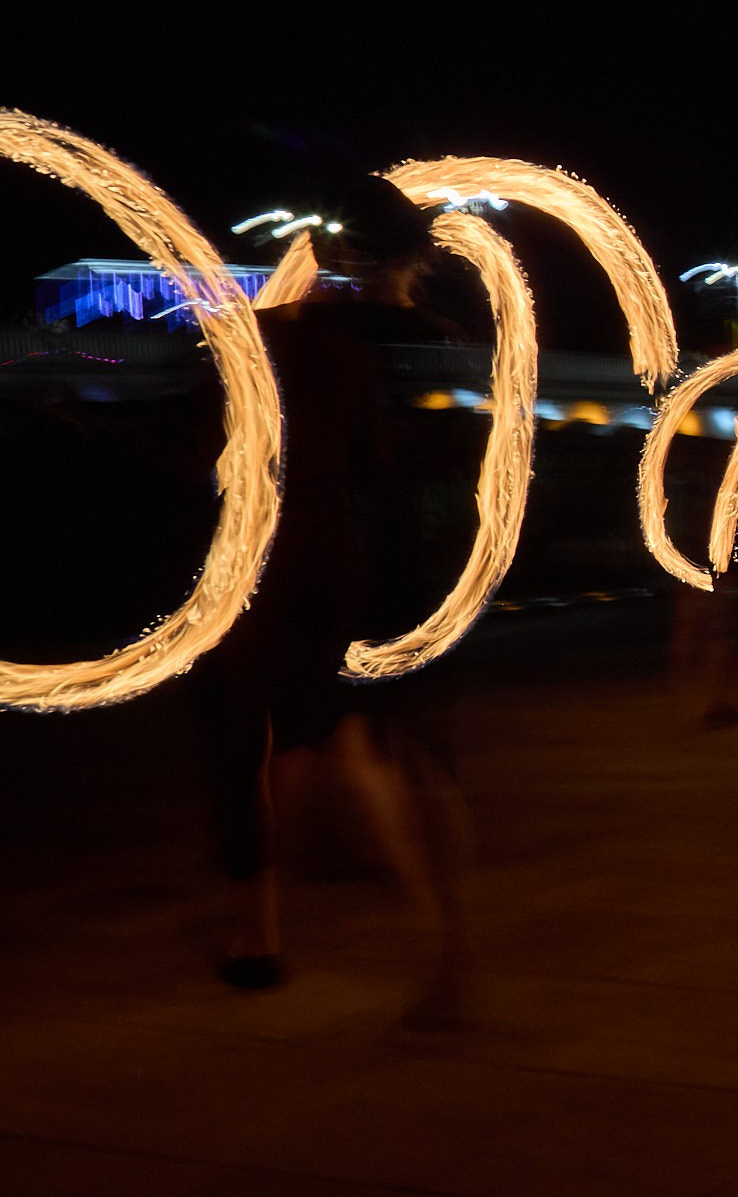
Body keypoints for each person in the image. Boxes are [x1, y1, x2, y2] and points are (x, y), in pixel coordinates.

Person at [194, 178, 471, 1017]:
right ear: (417, 256)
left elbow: (244, 451)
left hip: (310, 553)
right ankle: (447, 947)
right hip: (405, 560)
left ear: (328, 250)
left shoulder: (289, 337)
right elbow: (445, 457)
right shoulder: (440, 342)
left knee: (287, 733)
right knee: (393, 750)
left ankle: (260, 926)